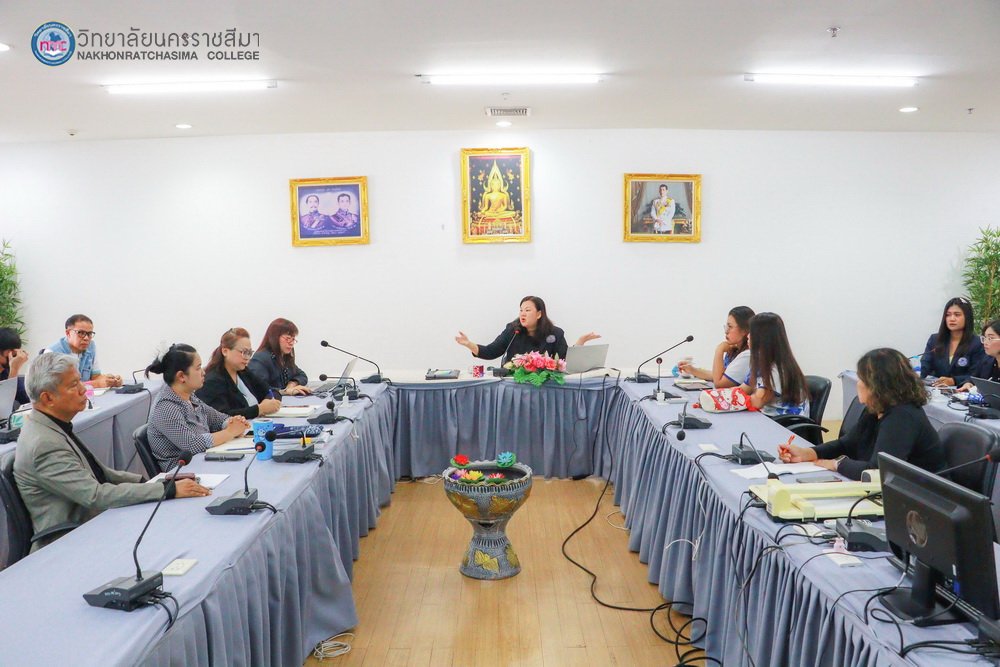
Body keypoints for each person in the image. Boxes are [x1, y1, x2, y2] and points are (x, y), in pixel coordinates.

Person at [13, 353, 211, 550]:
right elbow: (95, 496)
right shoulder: (43, 444)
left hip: (94, 523)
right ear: (48, 398)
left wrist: (149, 483)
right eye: (74, 385)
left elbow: (102, 474)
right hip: (71, 541)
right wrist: (166, 490)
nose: (83, 389)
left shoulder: (52, 426)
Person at [779, 348, 945, 481]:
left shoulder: (902, 417)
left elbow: (877, 472)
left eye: (861, 378)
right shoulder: (878, 408)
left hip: (925, 497)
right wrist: (807, 453)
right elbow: (846, 444)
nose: (858, 383)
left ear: (877, 385)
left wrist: (837, 464)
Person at [146, 344, 250, 472]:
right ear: (181, 376)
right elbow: (192, 445)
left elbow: (217, 418)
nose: (203, 372)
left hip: (205, 462)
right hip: (183, 473)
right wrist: (230, 432)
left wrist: (232, 422)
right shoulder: (165, 407)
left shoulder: (189, 396)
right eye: (198, 368)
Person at [455, 296, 575, 365]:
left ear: (539, 314)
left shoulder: (555, 333)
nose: (523, 314)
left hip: (544, 386)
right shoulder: (512, 331)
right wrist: (468, 344)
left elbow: (565, 361)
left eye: (527, 310)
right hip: (515, 384)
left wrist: (578, 344)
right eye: (521, 310)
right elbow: (490, 351)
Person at [196, 328, 282, 419]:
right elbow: (221, 416)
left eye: (249, 353)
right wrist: (259, 409)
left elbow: (271, 391)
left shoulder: (243, 372)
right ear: (225, 351)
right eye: (244, 352)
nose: (247, 358)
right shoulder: (212, 380)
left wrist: (268, 402)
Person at [739, 312, 809, 416]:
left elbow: (757, 401)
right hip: (770, 419)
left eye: (751, 333)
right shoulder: (764, 363)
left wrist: (732, 399)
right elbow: (743, 390)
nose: (748, 336)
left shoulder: (777, 369)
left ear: (763, 338)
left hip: (786, 423)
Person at [677, 306, 755, 388]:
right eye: (726, 326)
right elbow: (717, 375)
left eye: (730, 327)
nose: (726, 331)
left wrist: (719, 350)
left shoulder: (747, 355)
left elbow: (719, 384)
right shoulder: (734, 349)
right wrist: (692, 370)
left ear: (744, 331)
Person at [920, 297, 985, 387]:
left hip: (961, 390)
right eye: (948, 315)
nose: (952, 319)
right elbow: (925, 365)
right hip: (935, 388)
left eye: (957, 315)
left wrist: (954, 380)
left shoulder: (977, 343)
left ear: (967, 317)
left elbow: (977, 375)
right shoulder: (935, 339)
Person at [46, 314, 122, 388]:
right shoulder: (52, 353)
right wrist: (96, 384)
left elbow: (95, 376)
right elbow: (59, 388)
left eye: (89, 334)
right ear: (68, 333)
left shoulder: (90, 346)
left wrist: (110, 381)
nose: (86, 338)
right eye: (81, 333)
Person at [248, 318, 311, 395]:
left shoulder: (284, 358)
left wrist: (292, 384)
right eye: (288, 338)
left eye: (293, 339)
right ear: (275, 337)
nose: (291, 343)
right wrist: (285, 391)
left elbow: (302, 375)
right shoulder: (260, 358)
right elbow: (258, 388)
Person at [958, 319, 1000, 390]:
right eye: (985, 338)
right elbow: (973, 378)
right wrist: (968, 383)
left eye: (990, 338)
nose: (985, 342)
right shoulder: (987, 361)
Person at [0, 327, 30, 407]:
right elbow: (4, 405)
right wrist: (14, 369)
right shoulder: (11, 369)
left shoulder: (5, 371)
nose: (12, 357)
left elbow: (24, 399)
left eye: (15, 354)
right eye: (9, 353)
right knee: (14, 404)